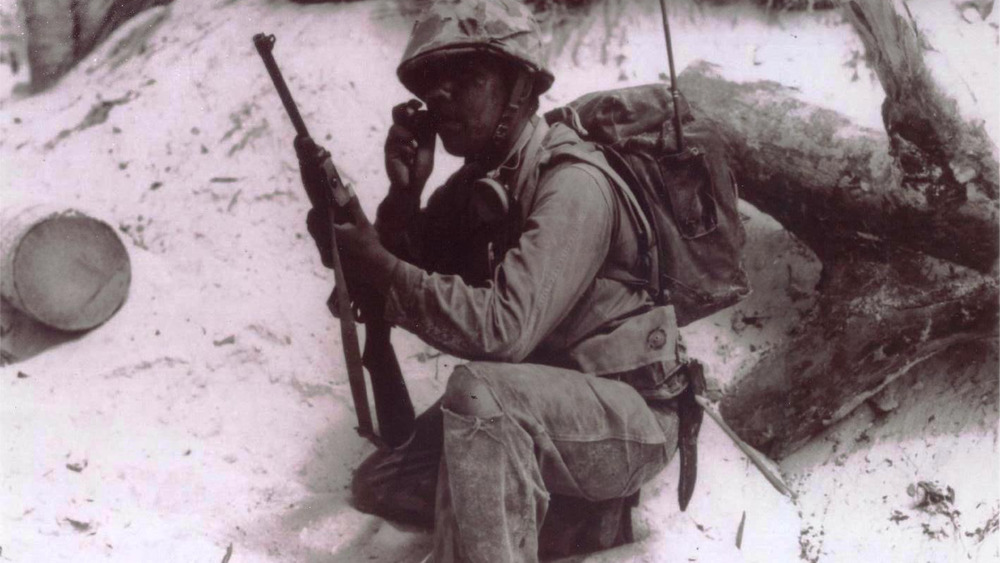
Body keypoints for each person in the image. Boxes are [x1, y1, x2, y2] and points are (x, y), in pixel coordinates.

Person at [296, 0, 696, 559]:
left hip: (628, 417)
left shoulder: (573, 183)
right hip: (542, 407)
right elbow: (410, 278)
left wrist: (383, 268)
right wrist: (403, 199)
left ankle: (568, 512)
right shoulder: (477, 187)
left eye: (466, 78)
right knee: (382, 484)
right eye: (433, 82)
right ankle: (563, 517)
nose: (441, 96)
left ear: (520, 87)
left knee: (480, 391)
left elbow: (501, 332)